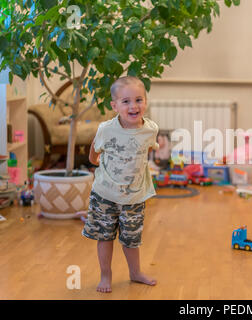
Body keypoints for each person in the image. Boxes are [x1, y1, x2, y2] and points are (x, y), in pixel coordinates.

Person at [82, 76, 159, 293]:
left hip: (134, 197)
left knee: (131, 239)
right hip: (105, 195)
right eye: (126, 102)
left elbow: (147, 150)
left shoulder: (150, 129)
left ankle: (135, 273)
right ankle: (106, 274)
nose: (133, 106)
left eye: (138, 100)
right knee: (104, 236)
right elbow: (94, 152)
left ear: (145, 101)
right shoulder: (106, 129)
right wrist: (96, 164)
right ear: (114, 106)